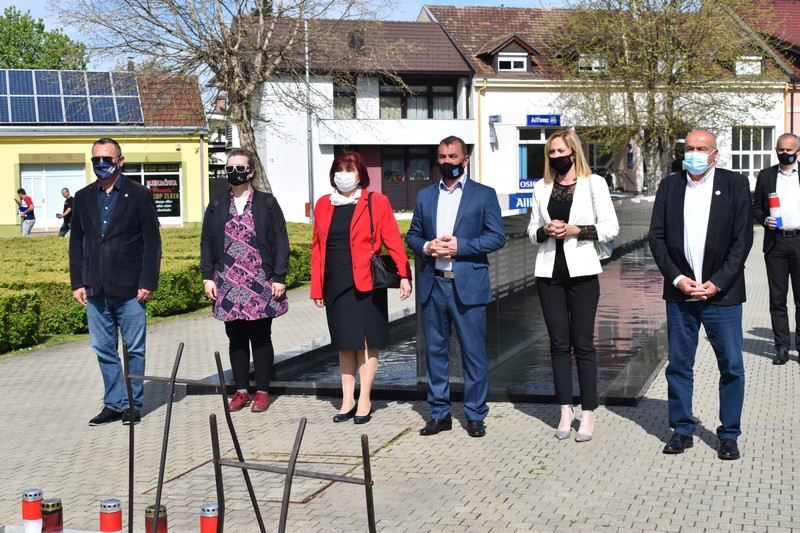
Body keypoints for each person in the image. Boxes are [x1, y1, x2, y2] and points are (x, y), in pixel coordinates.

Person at [648, 129, 752, 460]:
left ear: (714, 153)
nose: (693, 153)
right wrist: (678, 278)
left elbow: (742, 241)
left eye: (701, 148)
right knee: (679, 365)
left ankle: (729, 434)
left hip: (722, 295)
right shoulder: (670, 186)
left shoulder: (735, 184)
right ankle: (682, 429)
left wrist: (718, 282)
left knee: (731, 365)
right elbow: (656, 239)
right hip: (681, 294)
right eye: (689, 148)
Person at [406, 135, 506, 438]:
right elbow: (413, 235)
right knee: (435, 352)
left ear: (465, 160)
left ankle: (475, 414)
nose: (446, 162)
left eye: (452, 156)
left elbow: (496, 237)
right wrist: (427, 246)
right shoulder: (425, 196)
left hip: (468, 286)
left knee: (473, 353)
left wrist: (460, 247)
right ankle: (440, 414)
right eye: (442, 157)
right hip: (433, 284)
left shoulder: (484, 195)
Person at [526, 130, 619, 442]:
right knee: (557, 344)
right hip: (548, 273)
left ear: (573, 152)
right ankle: (565, 409)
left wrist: (575, 230)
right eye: (551, 152)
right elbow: (531, 230)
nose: (556, 157)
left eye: (560, 151)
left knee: (583, 343)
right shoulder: (541, 187)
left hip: (583, 272)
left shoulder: (594, 184)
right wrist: (545, 230)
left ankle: (588, 411)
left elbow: (611, 228)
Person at [311, 151, 412, 424]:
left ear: (360, 175)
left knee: (367, 342)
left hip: (367, 281)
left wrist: (404, 274)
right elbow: (317, 248)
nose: (344, 175)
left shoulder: (376, 201)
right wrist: (317, 288)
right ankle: (347, 400)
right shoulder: (323, 204)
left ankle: (364, 399)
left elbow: (392, 239)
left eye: (350, 170)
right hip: (335, 282)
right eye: (339, 169)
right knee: (345, 343)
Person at [69, 138, 162, 426]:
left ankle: (132, 405)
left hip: (131, 289)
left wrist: (148, 281)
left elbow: (152, 242)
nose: (101, 164)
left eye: (107, 159)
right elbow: (76, 243)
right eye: (96, 159)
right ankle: (113, 403)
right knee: (103, 349)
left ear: (120, 161)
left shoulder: (140, 195)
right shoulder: (83, 197)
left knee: (134, 349)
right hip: (95, 288)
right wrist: (77, 282)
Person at [201, 149, 290, 413]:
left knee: (261, 337)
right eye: (229, 168)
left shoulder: (267, 203)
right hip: (227, 281)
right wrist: (207, 276)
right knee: (236, 339)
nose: (234, 173)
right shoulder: (217, 205)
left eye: (239, 168)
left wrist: (279, 276)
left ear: (250, 171)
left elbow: (281, 239)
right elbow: (206, 241)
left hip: (260, 281)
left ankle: (262, 392)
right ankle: (240, 391)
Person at [752, 133, 800, 366]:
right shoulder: (766, 175)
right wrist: (764, 219)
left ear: (797, 151)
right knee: (778, 298)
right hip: (776, 243)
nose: (784, 153)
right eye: (781, 149)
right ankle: (781, 347)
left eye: (789, 150)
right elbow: (756, 208)